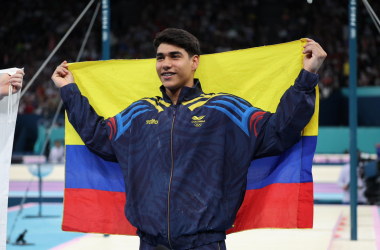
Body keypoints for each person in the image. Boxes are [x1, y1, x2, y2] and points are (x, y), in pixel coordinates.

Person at [52, 28, 326, 250]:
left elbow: (279, 131)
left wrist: (307, 76)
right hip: (149, 243)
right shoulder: (139, 112)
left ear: (194, 62)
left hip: (205, 243)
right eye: (160, 58)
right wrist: (70, 91)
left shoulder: (224, 110)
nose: (166, 64)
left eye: (175, 56)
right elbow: (99, 137)